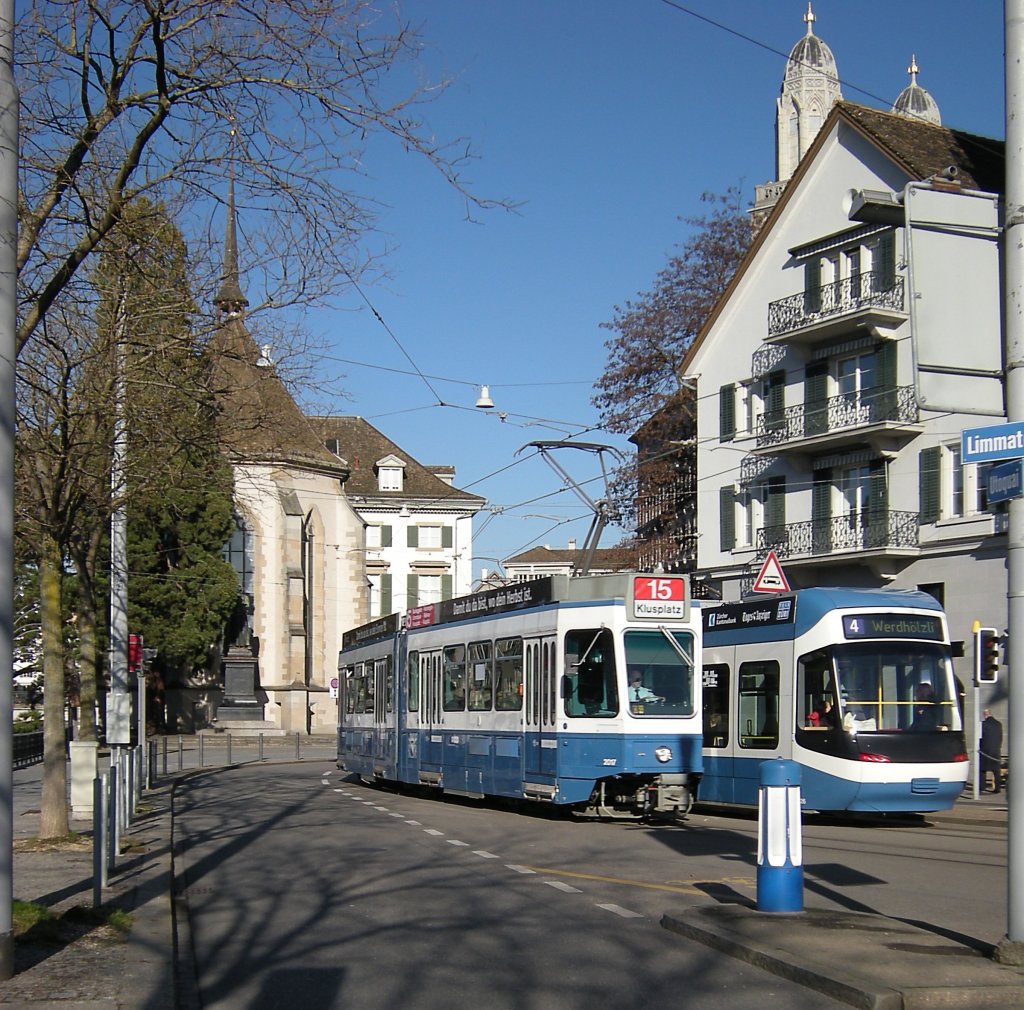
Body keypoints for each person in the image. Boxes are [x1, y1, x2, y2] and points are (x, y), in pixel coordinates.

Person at [980, 709, 1003, 794]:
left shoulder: (983, 724)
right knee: (996, 771)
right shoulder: (998, 724)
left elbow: (980, 738)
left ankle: (982, 787)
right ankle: (997, 788)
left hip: (985, 750)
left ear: (985, 715)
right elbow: (1000, 737)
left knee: (982, 770)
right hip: (996, 750)